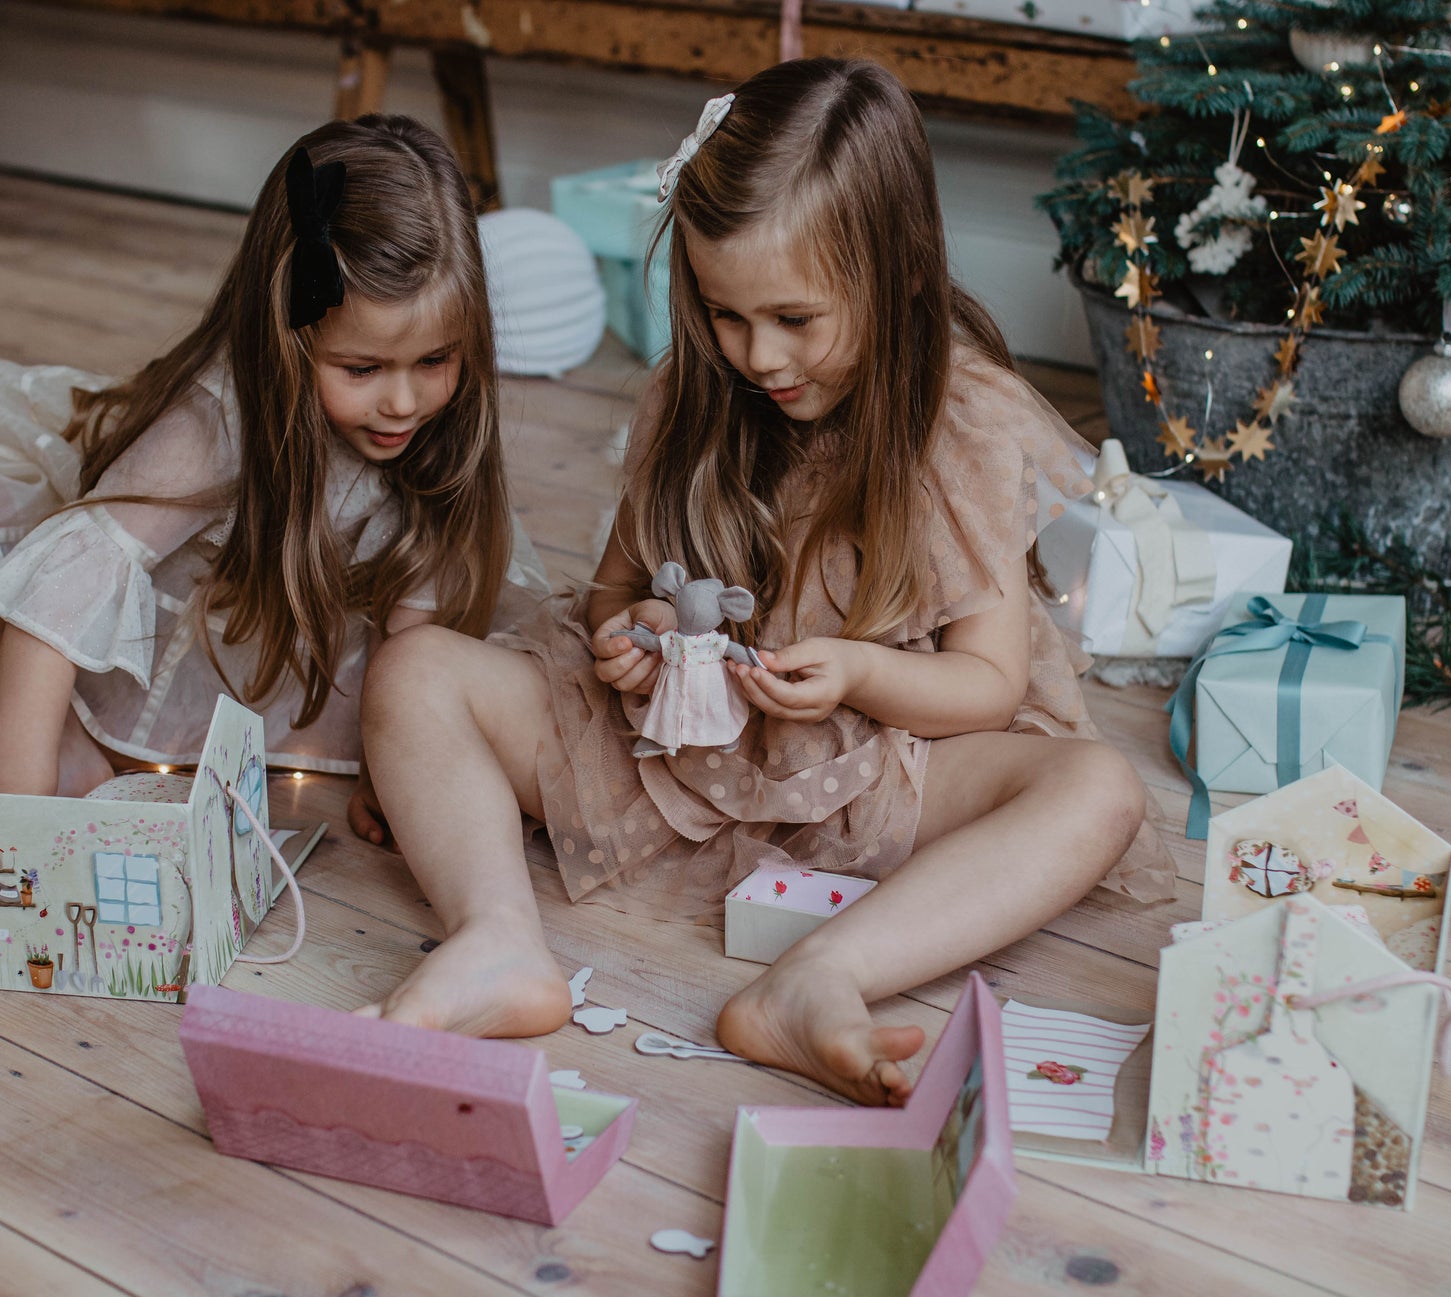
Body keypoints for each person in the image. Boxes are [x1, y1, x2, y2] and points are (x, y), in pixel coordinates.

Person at [359, 61, 1173, 1104]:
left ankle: (819, 977)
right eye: (725, 314)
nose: (758, 355)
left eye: (794, 318)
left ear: (899, 273)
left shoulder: (957, 421)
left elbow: (985, 686)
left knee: (1090, 791)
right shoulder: (698, 392)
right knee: (415, 670)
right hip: (669, 755)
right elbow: (610, 592)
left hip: (877, 771)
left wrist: (856, 673)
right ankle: (495, 941)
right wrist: (633, 629)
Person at [0, 116, 547, 812]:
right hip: (126, 677)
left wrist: (393, 767)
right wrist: (14, 813)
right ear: (287, 338)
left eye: (435, 359)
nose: (403, 401)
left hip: (297, 716)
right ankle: (67, 751)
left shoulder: (445, 420)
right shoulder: (218, 421)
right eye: (362, 368)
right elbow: (56, 601)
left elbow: (414, 625)